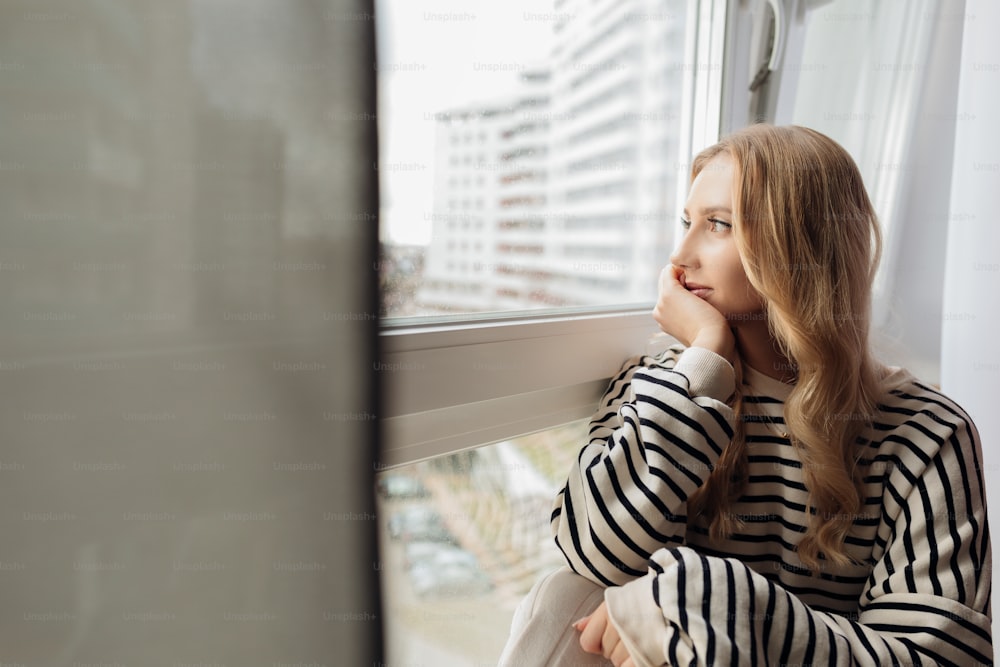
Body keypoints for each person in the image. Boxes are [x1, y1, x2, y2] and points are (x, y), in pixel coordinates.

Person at [498, 124, 993, 666]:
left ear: (802, 243)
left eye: (718, 225)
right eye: (686, 223)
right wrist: (706, 358)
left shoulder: (927, 432)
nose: (679, 257)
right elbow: (593, 554)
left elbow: (940, 658)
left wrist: (723, 603)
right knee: (564, 597)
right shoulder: (662, 388)